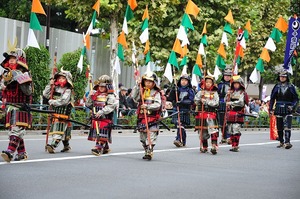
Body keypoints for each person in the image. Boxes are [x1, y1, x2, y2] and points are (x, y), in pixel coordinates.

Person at [0, 46, 33, 162]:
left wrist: (17, 77)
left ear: (20, 59)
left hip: (21, 107)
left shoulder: (25, 74)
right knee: (13, 132)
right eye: (9, 59)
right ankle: (22, 153)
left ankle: (9, 152)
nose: (10, 61)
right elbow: (2, 88)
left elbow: (28, 91)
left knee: (16, 130)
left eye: (13, 58)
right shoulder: (5, 74)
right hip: (10, 107)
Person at [132, 71, 161, 160]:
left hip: (152, 118)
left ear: (154, 83)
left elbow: (158, 104)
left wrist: (148, 107)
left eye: (150, 81)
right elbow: (135, 98)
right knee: (143, 137)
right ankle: (146, 149)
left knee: (151, 135)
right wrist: (137, 87)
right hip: (142, 117)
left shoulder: (156, 93)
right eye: (146, 81)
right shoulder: (141, 91)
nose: (148, 83)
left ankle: (150, 150)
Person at [86, 75, 118, 156]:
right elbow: (88, 105)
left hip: (105, 119)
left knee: (102, 132)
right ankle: (106, 147)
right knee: (98, 132)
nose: (101, 88)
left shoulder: (111, 96)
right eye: (100, 86)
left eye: (103, 86)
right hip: (96, 118)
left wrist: (102, 111)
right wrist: (90, 96)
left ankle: (98, 147)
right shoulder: (95, 94)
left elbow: (111, 106)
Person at [43, 68, 74, 153]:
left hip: (63, 113)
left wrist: (53, 102)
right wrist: (50, 85)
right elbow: (46, 94)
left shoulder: (68, 90)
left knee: (59, 130)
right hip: (55, 113)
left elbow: (64, 101)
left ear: (67, 80)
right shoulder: (55, 88)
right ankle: (66, 145)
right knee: (62, 130)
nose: (61, 80)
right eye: (59, 78)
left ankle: (52, 146)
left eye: (63, 78)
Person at [269, 70, 299, 149]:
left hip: (288, 107)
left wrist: (292, 106)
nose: (282, 78)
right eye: (281, 76)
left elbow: (296, 99)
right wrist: (270, 109)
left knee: (287, 126)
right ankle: (281, 141)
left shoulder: (291, 86)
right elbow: (272, 98)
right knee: (279, 127)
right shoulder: (276, 86)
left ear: (287, 77)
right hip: (278, 107)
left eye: (284, 76)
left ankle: (287, 142)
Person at [194, 75, 219, 154]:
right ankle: (204, 147)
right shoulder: (200, 92)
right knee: (202, 131)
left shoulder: (214, 93)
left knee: (213, 129)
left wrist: (207, 102)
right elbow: (195, 101)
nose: (208, 84)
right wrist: (200, 99)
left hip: (211, 113)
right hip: (201, 113)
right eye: (206, 82)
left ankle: (214, 145)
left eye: (210, 82)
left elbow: (216, 103)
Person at [168, 74, 194, 147]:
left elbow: (191, 101)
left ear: (188, 82)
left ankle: (179, 139)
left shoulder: (190, 90)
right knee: (178, 125)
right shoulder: (177, 89)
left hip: (184, 109)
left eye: (185, 80)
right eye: (182, 80)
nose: (183, 82)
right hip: (177, 109)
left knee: (181, 125)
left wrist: (182, 102)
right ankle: (180, 139)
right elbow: (170, 98)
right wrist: (173, 90)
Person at [225, 75, 247, 152]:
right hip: (230, 113)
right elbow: (226, 101)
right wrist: (227, 95)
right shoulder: (231, 92)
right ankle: (232, 145)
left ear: (240, 84)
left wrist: (231, 103)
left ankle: (236, 146)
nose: (236, 85)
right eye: (234, 84)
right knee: (230, 129)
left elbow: (241, 103)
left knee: (236, 129)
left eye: (237, 83)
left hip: (238, 112)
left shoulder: (242, 93)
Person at [217, 66, 232, 144]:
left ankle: (229, 136)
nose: (227, 77)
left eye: (229, 76)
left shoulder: (233, 85)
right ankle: (224, 137)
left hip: (230, 105)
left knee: (229, 121)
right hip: (221, 104)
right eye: (226, 75)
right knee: (222, 122)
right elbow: (217, 94)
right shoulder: (220, 84)